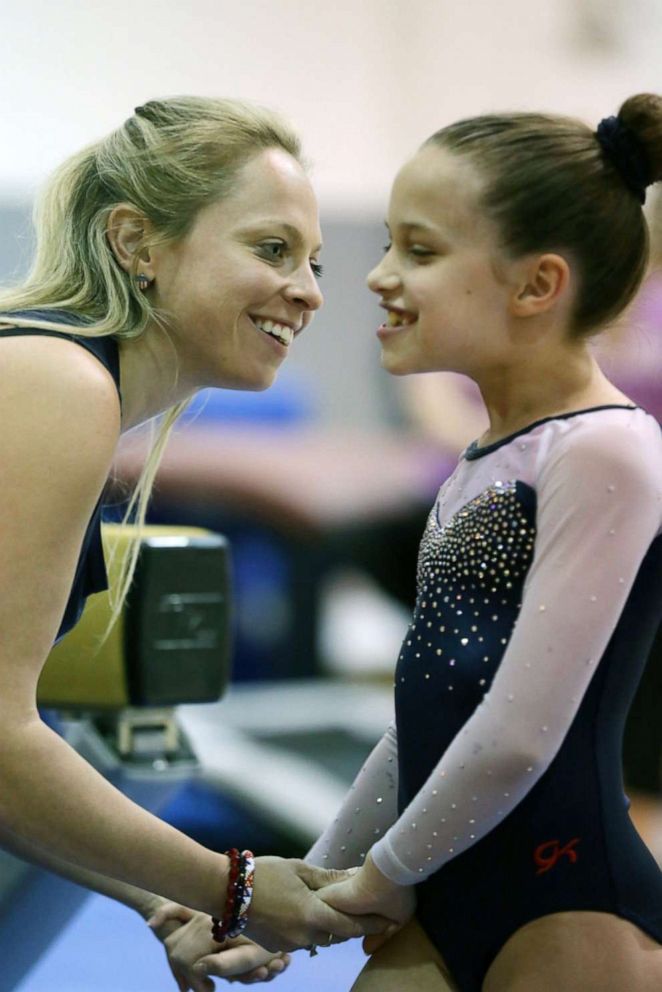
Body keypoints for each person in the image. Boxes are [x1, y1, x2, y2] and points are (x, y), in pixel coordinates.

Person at [158, 95, 662, 989]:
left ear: (537, 285)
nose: (378, 275)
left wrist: (376, 882)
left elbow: (516, 734)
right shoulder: (481, 459)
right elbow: (423, 722)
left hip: (565, 905)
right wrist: (309, 893)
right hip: (442, 895)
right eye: (389, 242)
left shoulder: (604, 447)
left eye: (420, 251)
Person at [0, 95, 398, 991]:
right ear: (137, 243)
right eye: (271, 250)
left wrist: (162, 898)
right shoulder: (58, 381)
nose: (309, 289)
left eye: (314, 260)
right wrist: (236, 887)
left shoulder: (67, 382)